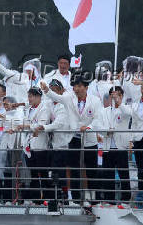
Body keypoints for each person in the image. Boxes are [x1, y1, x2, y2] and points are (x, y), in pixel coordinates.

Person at [41, 73, 102, 206]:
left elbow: (98, 118)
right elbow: (56, 97)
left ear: (86, 87)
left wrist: (89, 127)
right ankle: (75, 200)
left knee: (91, 171)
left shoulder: (95, 101)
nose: (76, 88)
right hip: (74, 138)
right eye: (75, 86)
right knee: (74, 171)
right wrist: (46, 90)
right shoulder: (69, 97)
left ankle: (94, 200)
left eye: (79, 86)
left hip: (90, 140)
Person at [33, 79, 72, 202]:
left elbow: (58, 124)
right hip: (51, 143)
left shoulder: (64, 104)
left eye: (55, 90)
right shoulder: (49, 103)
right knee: (52, 171)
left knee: (59, 171)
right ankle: (53, 196)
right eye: (51, 91)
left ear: (61, 91)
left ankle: (63, 196)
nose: (53, 93)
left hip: (62, 143)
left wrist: (43, 127)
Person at [99, 86, 133, 207]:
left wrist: (119, 102)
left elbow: (129, 113)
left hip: (121, 146)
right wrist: (106, 131)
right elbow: (99, 126)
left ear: (122, 96)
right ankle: (109, 200)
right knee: (108, 174)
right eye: (113, 95)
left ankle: (125, 200)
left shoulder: (126, 108)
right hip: (108, 146)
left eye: (118, 95)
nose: (115, 97)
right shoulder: (104, 111)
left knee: (124, 173)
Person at [17, 87, 51, 205]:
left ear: (38, 96)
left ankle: (46, 197)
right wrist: (25, 126)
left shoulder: (44, 108)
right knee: (33, 173)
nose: (29, 99)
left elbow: (41, 124)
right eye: (29, 96)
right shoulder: (29, 109)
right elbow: (29, 123)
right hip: (29, 143)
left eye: (31, 96)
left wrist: (25, 126)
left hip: (40, 145)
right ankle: (36, 198)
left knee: (43, 172)